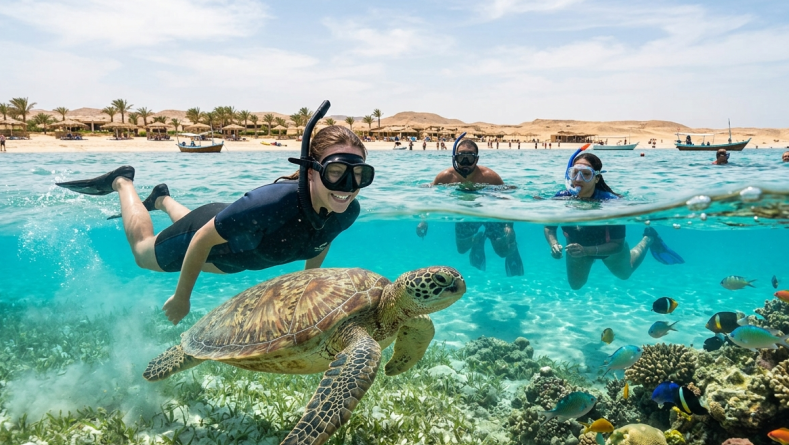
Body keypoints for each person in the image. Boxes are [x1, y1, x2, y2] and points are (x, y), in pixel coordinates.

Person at [56, 124, 372, 324]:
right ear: (310, 170)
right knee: (144, 253)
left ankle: (162, 199)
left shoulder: (347, 211)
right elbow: (203, 239)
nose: (347, 185)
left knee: (201, 229)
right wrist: (182, 298)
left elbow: (322, 237)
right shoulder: (273, 203)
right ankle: (122, 182)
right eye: (336, 172)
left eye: (359, 175)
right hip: (207, 237)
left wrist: (308, 289)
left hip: (233, 251)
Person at [545, 152, 683, 290]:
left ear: (596, 178)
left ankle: (649, 238)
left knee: (625, 274)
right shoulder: (561, 198)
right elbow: (550, 227)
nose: (578, 179)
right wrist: (554, 243)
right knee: (575, 285)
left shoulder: (611, 203)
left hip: (609, 248)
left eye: (586, 174)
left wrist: (586, 251)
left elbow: (617, 244)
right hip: (576, 248)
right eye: (574, 173)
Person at [428, 135, 524, 276]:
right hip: (466, 214)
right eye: (461, 158)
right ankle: (478, 240)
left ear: (477, 159)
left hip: (490, 214)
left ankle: (512, 247)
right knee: (461, 249)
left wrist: (508, 226)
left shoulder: (490, 177)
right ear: (455, 159)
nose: (465, 162)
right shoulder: (445, 177)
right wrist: (423, 220)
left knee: (502, 252)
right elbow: (429, 196)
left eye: (470, 158)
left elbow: (507, 199)